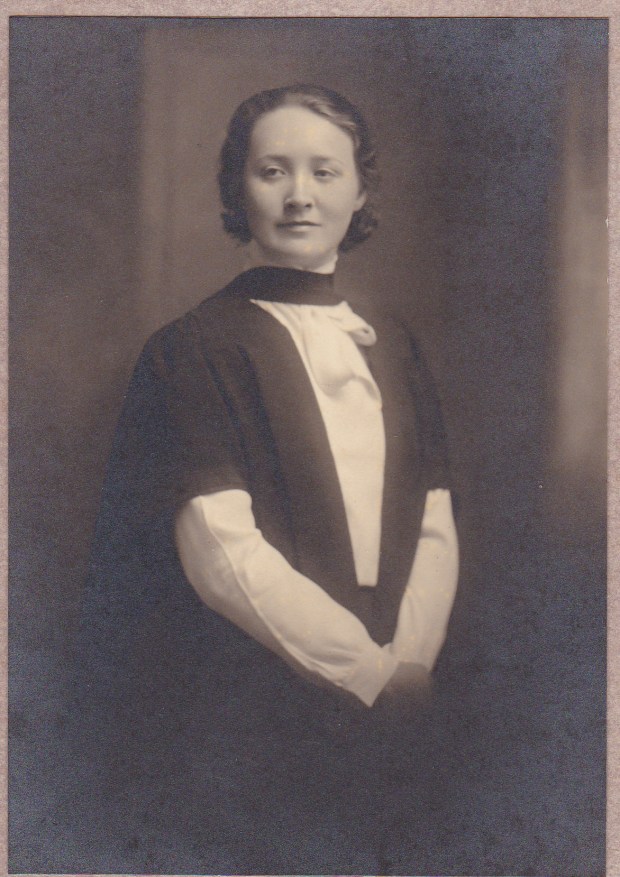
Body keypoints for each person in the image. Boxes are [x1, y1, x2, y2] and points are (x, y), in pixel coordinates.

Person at [72, 83, 459, 872]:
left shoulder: (393, 344)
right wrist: (368, 671)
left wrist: (409, 664)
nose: (299, 196)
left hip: (389, 707)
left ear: (360, 191)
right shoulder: (192, 349)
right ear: (236, 188)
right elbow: (220, 552)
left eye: (324, 171)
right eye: (272, 171)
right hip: (247, 708)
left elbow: (434, 519)